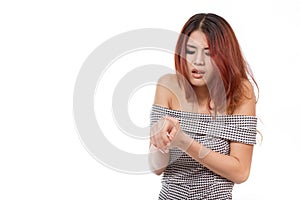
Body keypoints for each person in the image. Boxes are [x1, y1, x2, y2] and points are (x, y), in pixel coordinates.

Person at [148, 13, 258, 199]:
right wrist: (161, 143)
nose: (197, 61)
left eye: (208, 53)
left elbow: (240, 172)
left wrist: (185, 142)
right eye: (191, 51)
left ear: (224, 56)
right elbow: (156, 167)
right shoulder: (167, 86)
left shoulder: (241, 92)